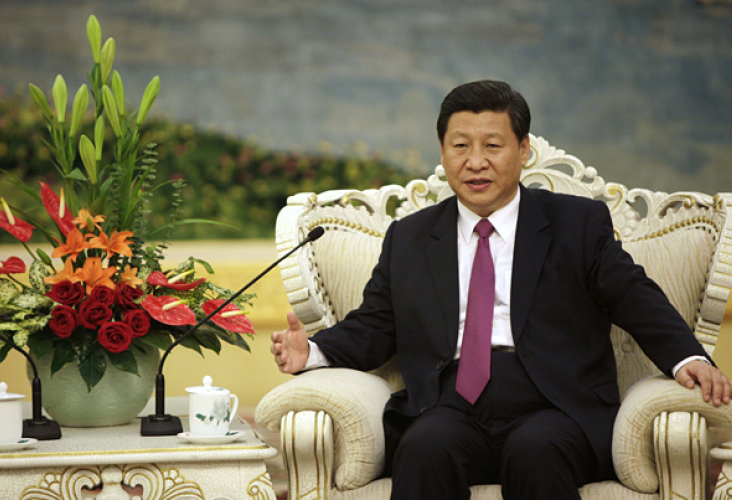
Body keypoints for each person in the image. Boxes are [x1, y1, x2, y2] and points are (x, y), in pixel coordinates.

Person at [270, 80, 732, 500]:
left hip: (553, 404)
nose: (476, 162)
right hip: (448, 404)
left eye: (493, 145)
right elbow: (375, 325)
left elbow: (634, 295)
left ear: (523, 149)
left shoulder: (576, 224)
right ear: (442, 152)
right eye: (460, 146)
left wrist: (687, 358)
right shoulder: (410, 237)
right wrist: (312, 352)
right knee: (424, 448)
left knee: (535, 452)